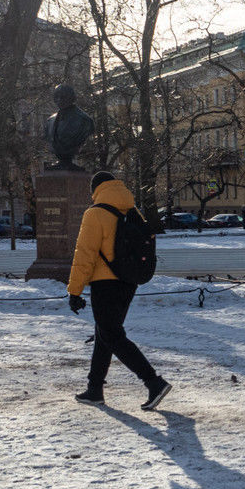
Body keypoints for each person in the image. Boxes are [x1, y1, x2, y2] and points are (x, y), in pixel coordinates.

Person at [67, 171, 171, 410]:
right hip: (128, 281)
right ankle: (94, 389)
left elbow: (85, 255)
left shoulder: (95, 213)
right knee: (105, 334)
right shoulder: (133, 211)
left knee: (112, 335)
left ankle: (153, 382)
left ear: (96, 189)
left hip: (105, 283)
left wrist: (75, 290)